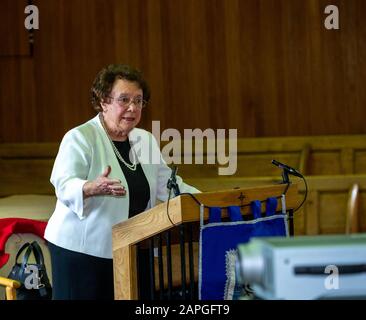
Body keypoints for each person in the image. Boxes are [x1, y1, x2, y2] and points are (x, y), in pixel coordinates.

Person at [44, 64, 200, 300]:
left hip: (133, 248)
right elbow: (63, 184)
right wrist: (89, 187)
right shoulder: (80, 137)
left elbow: (169, 185)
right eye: (124, 99)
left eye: (138, 101)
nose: (132, 107)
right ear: (103, 101)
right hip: (82, 250)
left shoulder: (144, 140)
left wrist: (205, 200)